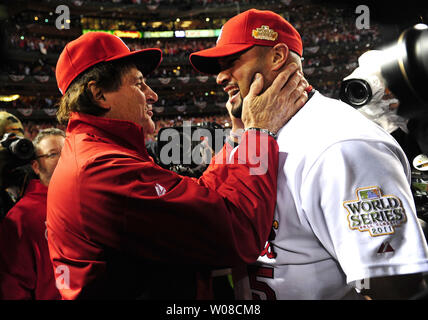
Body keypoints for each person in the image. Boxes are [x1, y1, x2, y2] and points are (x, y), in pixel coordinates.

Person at [47, 31, 309, 299]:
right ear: (98, 94)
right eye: (138, 84)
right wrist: (260, 133)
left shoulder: (99, 153)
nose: (153, 95)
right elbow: (239, 231)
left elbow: (201, 194)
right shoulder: (100, 170)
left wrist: (237, 136)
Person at [189, 8, 428, 299]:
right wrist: (240, 135)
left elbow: (395, 286)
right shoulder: (256, 135)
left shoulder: (342, 144)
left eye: (231, 62)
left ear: (277, 57)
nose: (220, 77)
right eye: (218, 68)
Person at [0, 128, 65, 299]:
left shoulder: (91, 202)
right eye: (52, 154)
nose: (63, 158)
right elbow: (13, 286)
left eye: (67, 151)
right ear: (35, 166)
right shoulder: (21, 216)